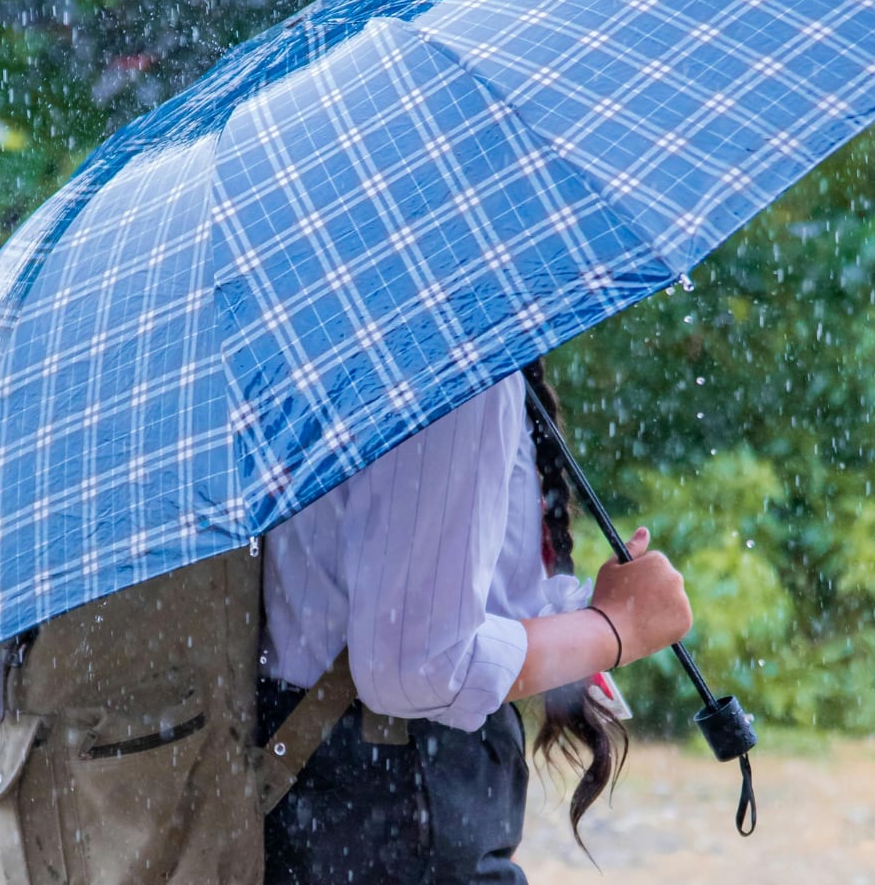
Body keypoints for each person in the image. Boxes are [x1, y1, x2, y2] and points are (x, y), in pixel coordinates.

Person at [260, 360, 695, 883]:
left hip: (350, 788)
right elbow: (418, 666)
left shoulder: (348, 339)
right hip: (396, 797)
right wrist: (615, 628)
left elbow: (464, 604)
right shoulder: (446, 364)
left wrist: (592, 619)